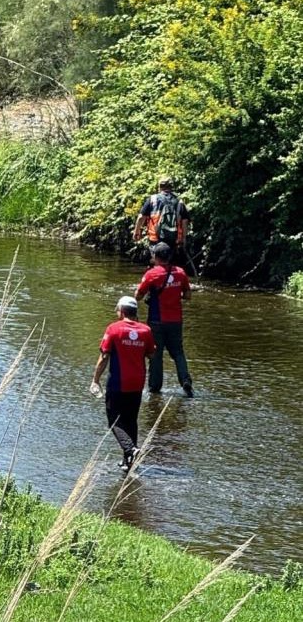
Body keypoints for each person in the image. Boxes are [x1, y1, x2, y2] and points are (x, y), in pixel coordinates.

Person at [90, 295, 156, 471]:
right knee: (130, 420)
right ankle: (129, 461)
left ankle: (130, 449)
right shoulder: (146, 330)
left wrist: (95, 380)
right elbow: (152, 354)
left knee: (114, 421)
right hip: (138, 382)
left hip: (118, 382)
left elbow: (104, 356)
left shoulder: (114, 329)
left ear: (122, 311)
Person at [135, 242, 194, 397]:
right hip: (176, 321)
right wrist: (175, 294)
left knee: (156, 354)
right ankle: (185, 380)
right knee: (178, 353)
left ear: (156, 257)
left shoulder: (151, 274)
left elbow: (138, 296)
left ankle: (155, 388)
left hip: (156, 321)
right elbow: (188, 295)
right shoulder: (181, 273)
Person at [133, 177, 191, 263]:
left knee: (157, 265)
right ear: (171, 187)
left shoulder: (152, 199)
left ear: (159, 187)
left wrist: (136, 232)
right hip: (173, 240)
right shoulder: (179, 201)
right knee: (170, 266)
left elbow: (141, 217)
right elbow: (185, 222)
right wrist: (184, 239)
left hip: (155, 239)